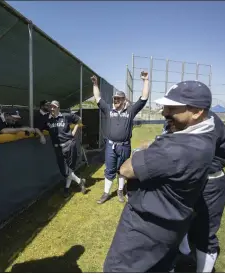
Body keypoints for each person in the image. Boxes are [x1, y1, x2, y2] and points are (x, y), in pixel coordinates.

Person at [103, 80, 216, 272]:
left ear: (197, 112)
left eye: (173, 108)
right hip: (170, 225)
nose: (165, 113)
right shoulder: (205, 136)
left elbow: (126, 169)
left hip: (145, 228)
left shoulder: (176, 148)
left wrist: (141, 151)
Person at [175, 110, 225, 272]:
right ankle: (185, 252)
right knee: (179, 221)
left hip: (209, 183)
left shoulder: (210, 121)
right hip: (185, 181)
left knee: (206, 234)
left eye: (172, 107)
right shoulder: (175, 119)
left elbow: (212, 157)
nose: (166, 112)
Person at [90, 72, 149, 204]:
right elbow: (98, 98)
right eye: (114, 99)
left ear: (123, 100)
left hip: (124, 146)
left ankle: (120, 191)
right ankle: (106, 193)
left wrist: (146, 81)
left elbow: (144, 98)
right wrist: (95, 84)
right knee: (109, 169)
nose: (115, 101)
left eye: (118, 99)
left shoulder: (130, 111)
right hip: (111, 146)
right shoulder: (108, 110)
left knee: (122, 169)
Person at [41, 100, 87, 197]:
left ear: (58, 108)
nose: (52, 109)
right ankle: (80, 181)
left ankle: (66, 188)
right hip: (58, 147)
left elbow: (79, 119)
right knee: (65, 171)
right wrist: (41, 135)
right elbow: (38, 127)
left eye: (54, 107)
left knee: (69, 169)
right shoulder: (47, 119)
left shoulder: (65, 116)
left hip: (69, 144)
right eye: (50, 107)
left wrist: (74, 131)